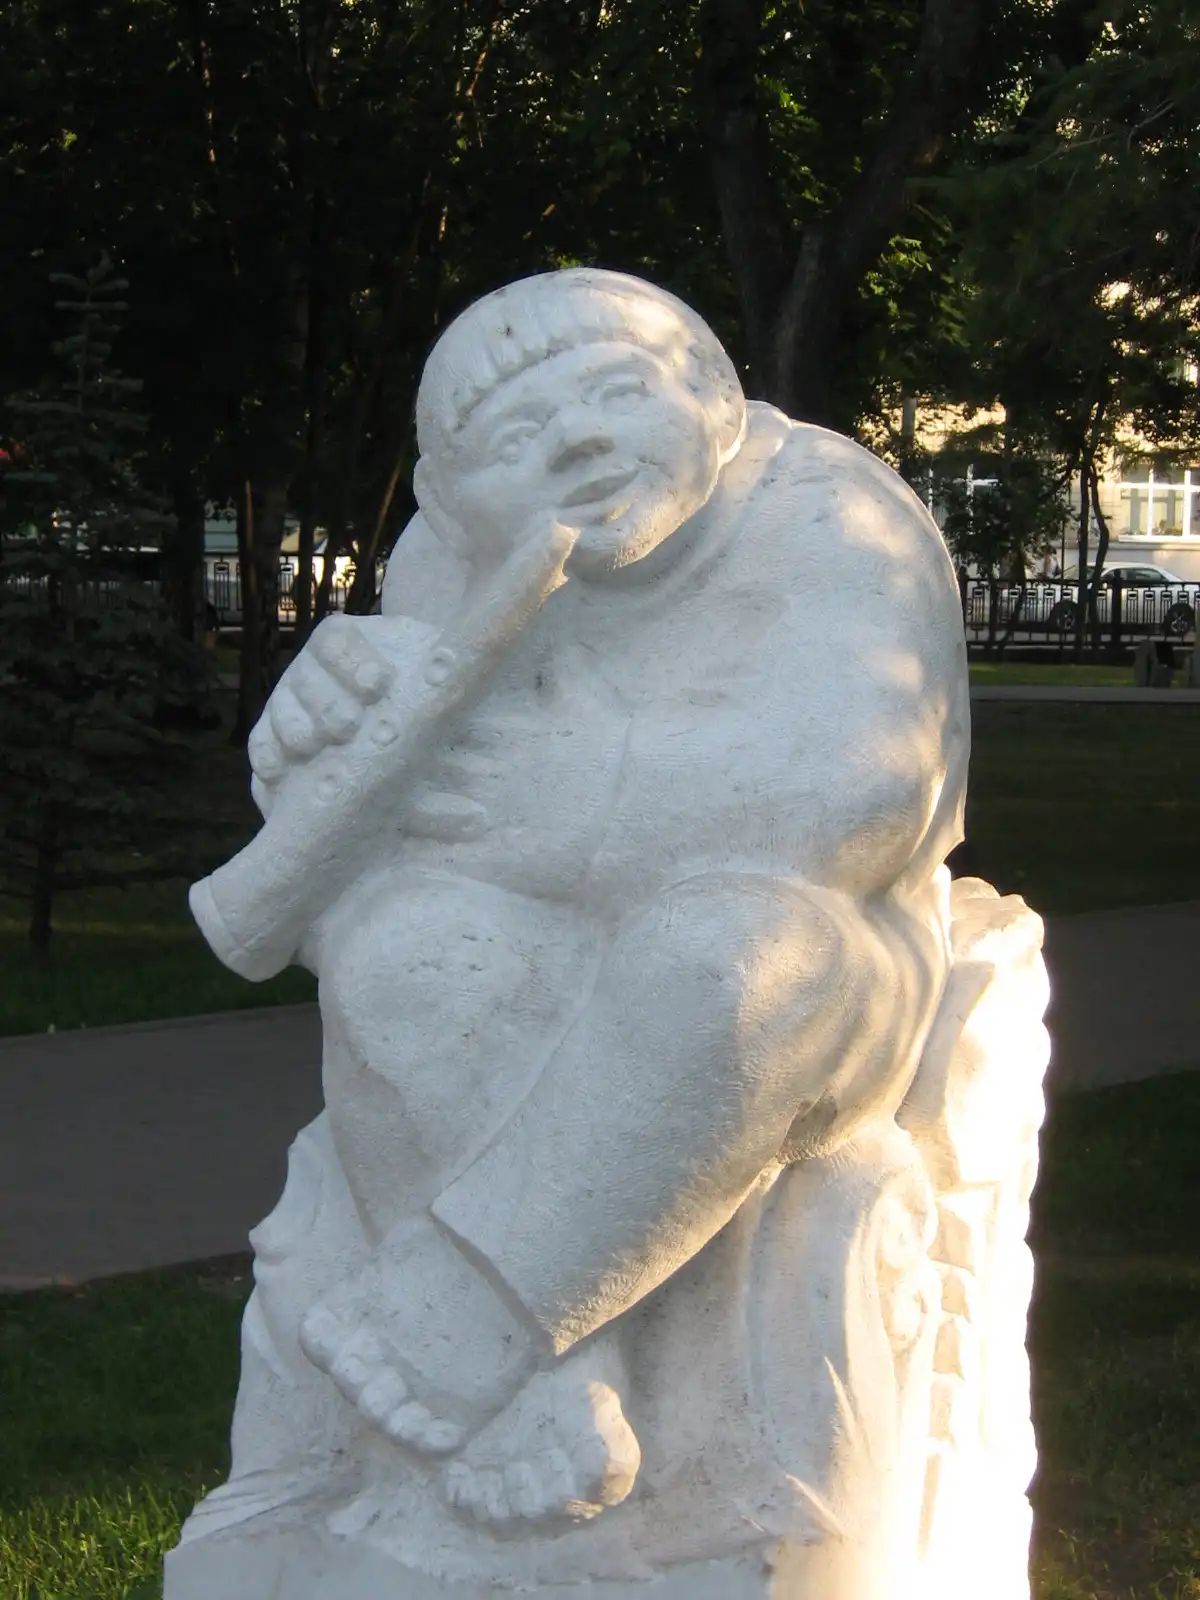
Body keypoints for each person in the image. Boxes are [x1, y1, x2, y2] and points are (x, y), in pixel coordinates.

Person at [185, 269, 970, 1574]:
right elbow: (367, 885)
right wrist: (313, 759)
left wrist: (584, 802)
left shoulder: (834, 515)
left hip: (815, 971)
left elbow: (863, 796)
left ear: (715, 401)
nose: (581, 442)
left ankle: (470, 1321)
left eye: (618, 391)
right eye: (516, 438)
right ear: (451, 500)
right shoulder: (448, 563)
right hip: (554, 952)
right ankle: (557, 1368)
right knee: (396, 957)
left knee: (724, 962)